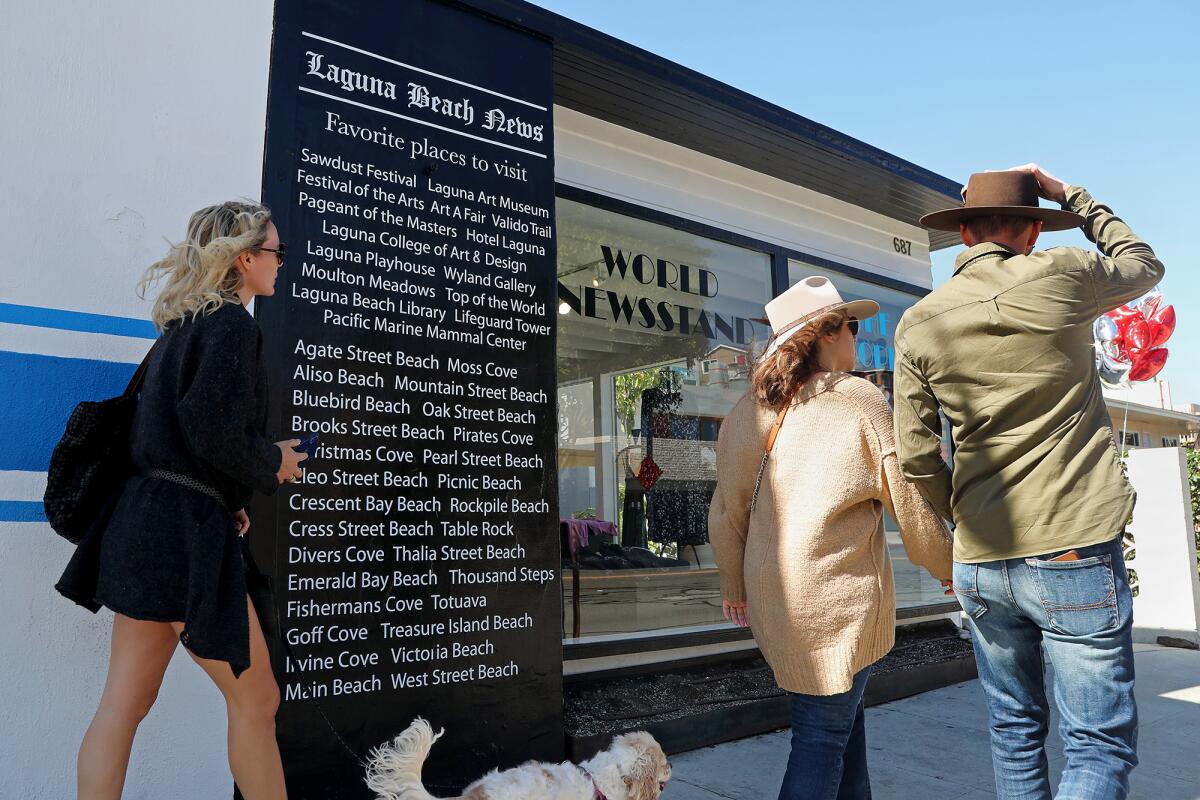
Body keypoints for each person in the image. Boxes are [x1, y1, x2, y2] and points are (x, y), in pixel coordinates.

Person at [894, 165, 1165, 799]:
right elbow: (1143, 263)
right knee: (1096, 746)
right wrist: (1075, 196)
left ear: (963, 235)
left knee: (1014, 730)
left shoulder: (920, 322)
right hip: (1071, 540)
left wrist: (960, 516)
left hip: (983, 557)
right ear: (1034, 232)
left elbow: (914, 456)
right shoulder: (1065, 274)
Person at [55, 201, 308, 799]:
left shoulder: (180, 329)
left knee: (124, 703)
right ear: (245, 259)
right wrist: (275, 460)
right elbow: (211, 430)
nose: (281, 264)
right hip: (181, 535)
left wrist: (228, 497)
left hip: (141, 523)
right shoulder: (232, 326)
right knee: (258, 698)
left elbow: (172, 436)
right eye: (275, 252)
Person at [709, 275, 953, 800]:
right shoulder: (857, 399)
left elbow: (724, 514)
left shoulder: (742, 416)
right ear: (825, 333)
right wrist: (947, 566)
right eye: (851, 326)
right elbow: (906, 496)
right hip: (836, 602)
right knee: (821, 736)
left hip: (777, 601)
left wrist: (734, 584)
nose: (857, 336)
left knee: (842, 725)